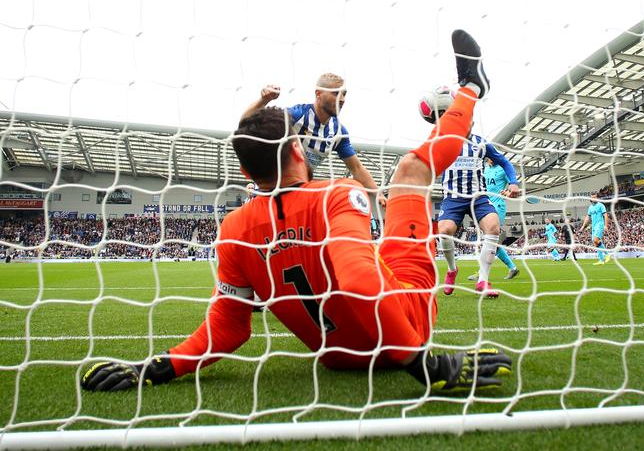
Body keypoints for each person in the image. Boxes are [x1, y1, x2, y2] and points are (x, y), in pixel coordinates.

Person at [81, 30, 512, 394]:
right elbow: (361, 281)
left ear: (247, 171)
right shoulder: (336, 195)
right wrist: (426, 366)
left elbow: (229, 329)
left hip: (339, 357)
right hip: (405, 327)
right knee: (412, 170)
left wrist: (155, 367)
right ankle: (471, 89)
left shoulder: (233, 229)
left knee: (361, 255)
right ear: (295, 149)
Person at [240, 73, 387, 209]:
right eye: (336, 93)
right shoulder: (297, 115)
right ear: (318, 94)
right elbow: (247, 123)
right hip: (270, 189)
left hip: (300, 191)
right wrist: (264, 100)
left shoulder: (338, 132)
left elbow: (356, 168)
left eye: (344, 94)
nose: (342, 99)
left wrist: (378, 192)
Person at [435, 120, 521, 298]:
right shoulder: (443, 141)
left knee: (493, 227)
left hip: (478, 197)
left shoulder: (481, 143)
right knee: (444, 231)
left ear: (471, 122)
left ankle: (483, 280)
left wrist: (513, 182)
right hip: (453, 197)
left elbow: (504, 162)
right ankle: (452, 270)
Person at [466, 156, 520, 281]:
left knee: (490, 240)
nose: (491, 159)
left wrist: (507, 192)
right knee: (491, 242)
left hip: (498, 206)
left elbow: (512, 187)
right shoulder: (485, 169)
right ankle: (512, 268)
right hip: (486, 206)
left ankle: (482, 272)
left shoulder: (502, 169)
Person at [579, 193, 611, 265]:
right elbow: (588, 217)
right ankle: (601, 260)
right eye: (593, 197)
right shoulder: (590, 207)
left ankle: (607, 254)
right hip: (593, 226)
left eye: (595, 197)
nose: (594, 198)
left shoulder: (601, 205)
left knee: (596, 240)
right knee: (596, 243)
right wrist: (583, 226)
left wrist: (606, 225)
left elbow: (605, 215)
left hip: (600, 225)